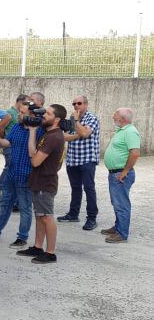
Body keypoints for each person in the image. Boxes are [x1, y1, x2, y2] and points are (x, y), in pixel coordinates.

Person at [0, 92, 44, 248]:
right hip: (11, 173)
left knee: (25, 207)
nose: (18, 115)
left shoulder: (40, 131)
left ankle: (22, 237)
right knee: (5, 203)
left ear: (31, 115)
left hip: (26, 175)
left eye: (22, 113)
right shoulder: (16, 127)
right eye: (19, 112)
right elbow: (7, 143)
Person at [16, 103, 67, 264]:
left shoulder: (53, 137)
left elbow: (35, 161)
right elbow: (33, 153)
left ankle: (50, 253)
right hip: (40, 181)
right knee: (40, 216)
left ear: (57, 119)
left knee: (46, 217)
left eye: (48, 114)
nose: (44, 115)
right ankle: (38, 247)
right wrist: (32, 131)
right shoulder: (49, 133)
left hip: (45, 183)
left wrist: (35, 157)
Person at [58, 95, 101, 231]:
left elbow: (86, 134)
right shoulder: (72, 118)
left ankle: (92, 218)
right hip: (72, 159)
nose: (76, 105)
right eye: (74, 103)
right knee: (75, 188)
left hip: (87, 159)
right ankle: (73, 214)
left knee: (89, 188)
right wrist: (78, 133)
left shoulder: (92, 118)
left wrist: (76, 122)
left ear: (85, 105)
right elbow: (64, 136)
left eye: (79, 103)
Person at [101, 108, 140, 243]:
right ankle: (118, 227)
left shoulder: (130, 132)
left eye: (115, 115)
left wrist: (125, 171)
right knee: (117, 203)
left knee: (122, 204)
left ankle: (122, 234)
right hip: (115, 173)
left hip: (121, 174)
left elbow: (135, 153)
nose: (113, 117)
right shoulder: (122, 130)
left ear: (123, 118)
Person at [0, 94, 28, 198]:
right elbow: (1, 128)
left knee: (11, 166)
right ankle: (0, 188)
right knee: (9, 165)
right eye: (25, 103)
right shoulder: (10, 113)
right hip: (9, 144)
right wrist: (4, 139)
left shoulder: (19, 113)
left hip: (15, 145)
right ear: (20, 102)